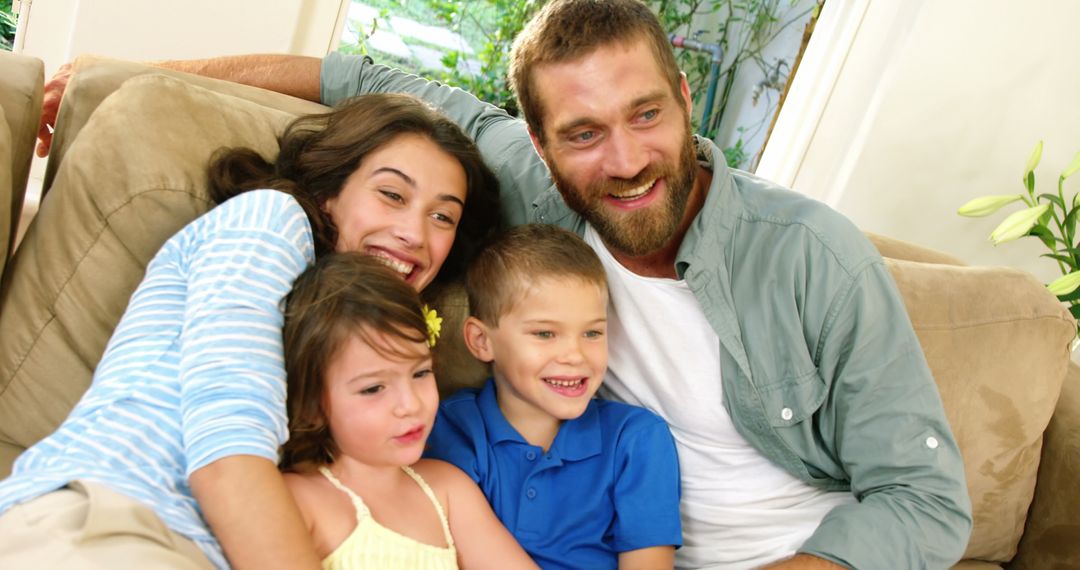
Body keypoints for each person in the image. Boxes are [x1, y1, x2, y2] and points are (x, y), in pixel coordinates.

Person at [35, 1, 973, 567]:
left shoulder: (814, 256)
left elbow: (929, 506)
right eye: (583, 133)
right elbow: (362, 73)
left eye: (647, 114)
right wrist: (112, 76)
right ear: (540, 147)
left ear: (686, 100)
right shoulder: (480, 203)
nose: (628, 160)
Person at [0, 93, 499, 569]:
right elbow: (227, 449)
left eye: (442, 216)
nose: (415, 234)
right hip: (115, 517)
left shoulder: (366, 338)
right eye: (392, 194)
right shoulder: (271, 222)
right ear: (328, 193)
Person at [425, 224, 681, 569]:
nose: (575, 355)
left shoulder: (635, 438)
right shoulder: (450, 428)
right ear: (482, 341)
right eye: (545, 333)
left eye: (592, 332)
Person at [278, 251, 537, 569]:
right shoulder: (298, 500)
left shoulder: (447, 490)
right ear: (313, 405)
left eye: (420, 373)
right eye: (373, 388)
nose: (410, 404)